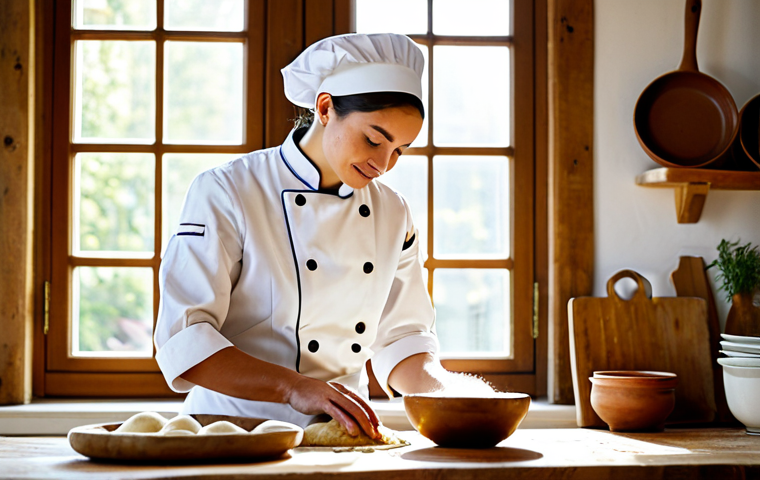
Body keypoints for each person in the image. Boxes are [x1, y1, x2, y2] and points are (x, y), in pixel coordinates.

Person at [154, 32, 493, 440]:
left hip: (342, 436)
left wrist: (463, 397)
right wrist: (295, 388)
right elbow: (185, 340)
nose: (384, 164)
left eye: (400, 150)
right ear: (326, 107)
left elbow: (403, 341)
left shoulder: (392, 212)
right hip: (231, 433)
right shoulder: (229, 190)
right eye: (373, 139)